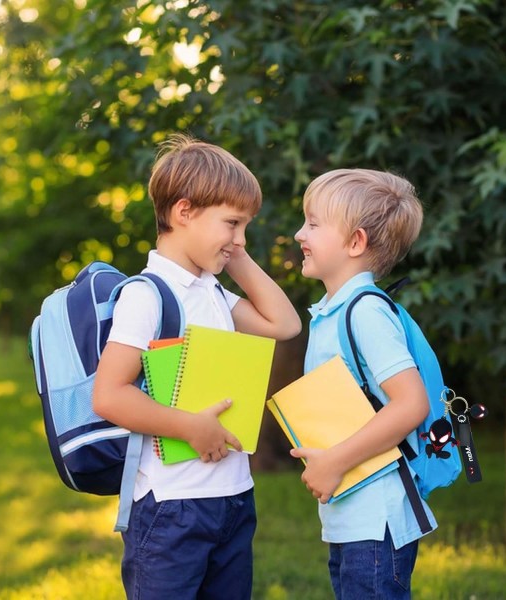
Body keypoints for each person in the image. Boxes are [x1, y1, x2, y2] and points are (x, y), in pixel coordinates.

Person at [92, 133, 301, 600]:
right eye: (232, 223)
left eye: (244, 226)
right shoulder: (147, 296)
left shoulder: (213, 293)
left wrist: (235, 254)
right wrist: (189, 427)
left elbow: (284, 324)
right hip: (172, 508)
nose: (240, 238)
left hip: (231, 499)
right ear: (183, 212)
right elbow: (109, 394)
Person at [291, 168, 436, 599]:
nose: (300, 233)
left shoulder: (364, 312)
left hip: (378, 518)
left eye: (314, 224)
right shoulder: (334, 311)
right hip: (354, 515)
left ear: (356, 242)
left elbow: (411, 404)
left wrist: (334, 462)